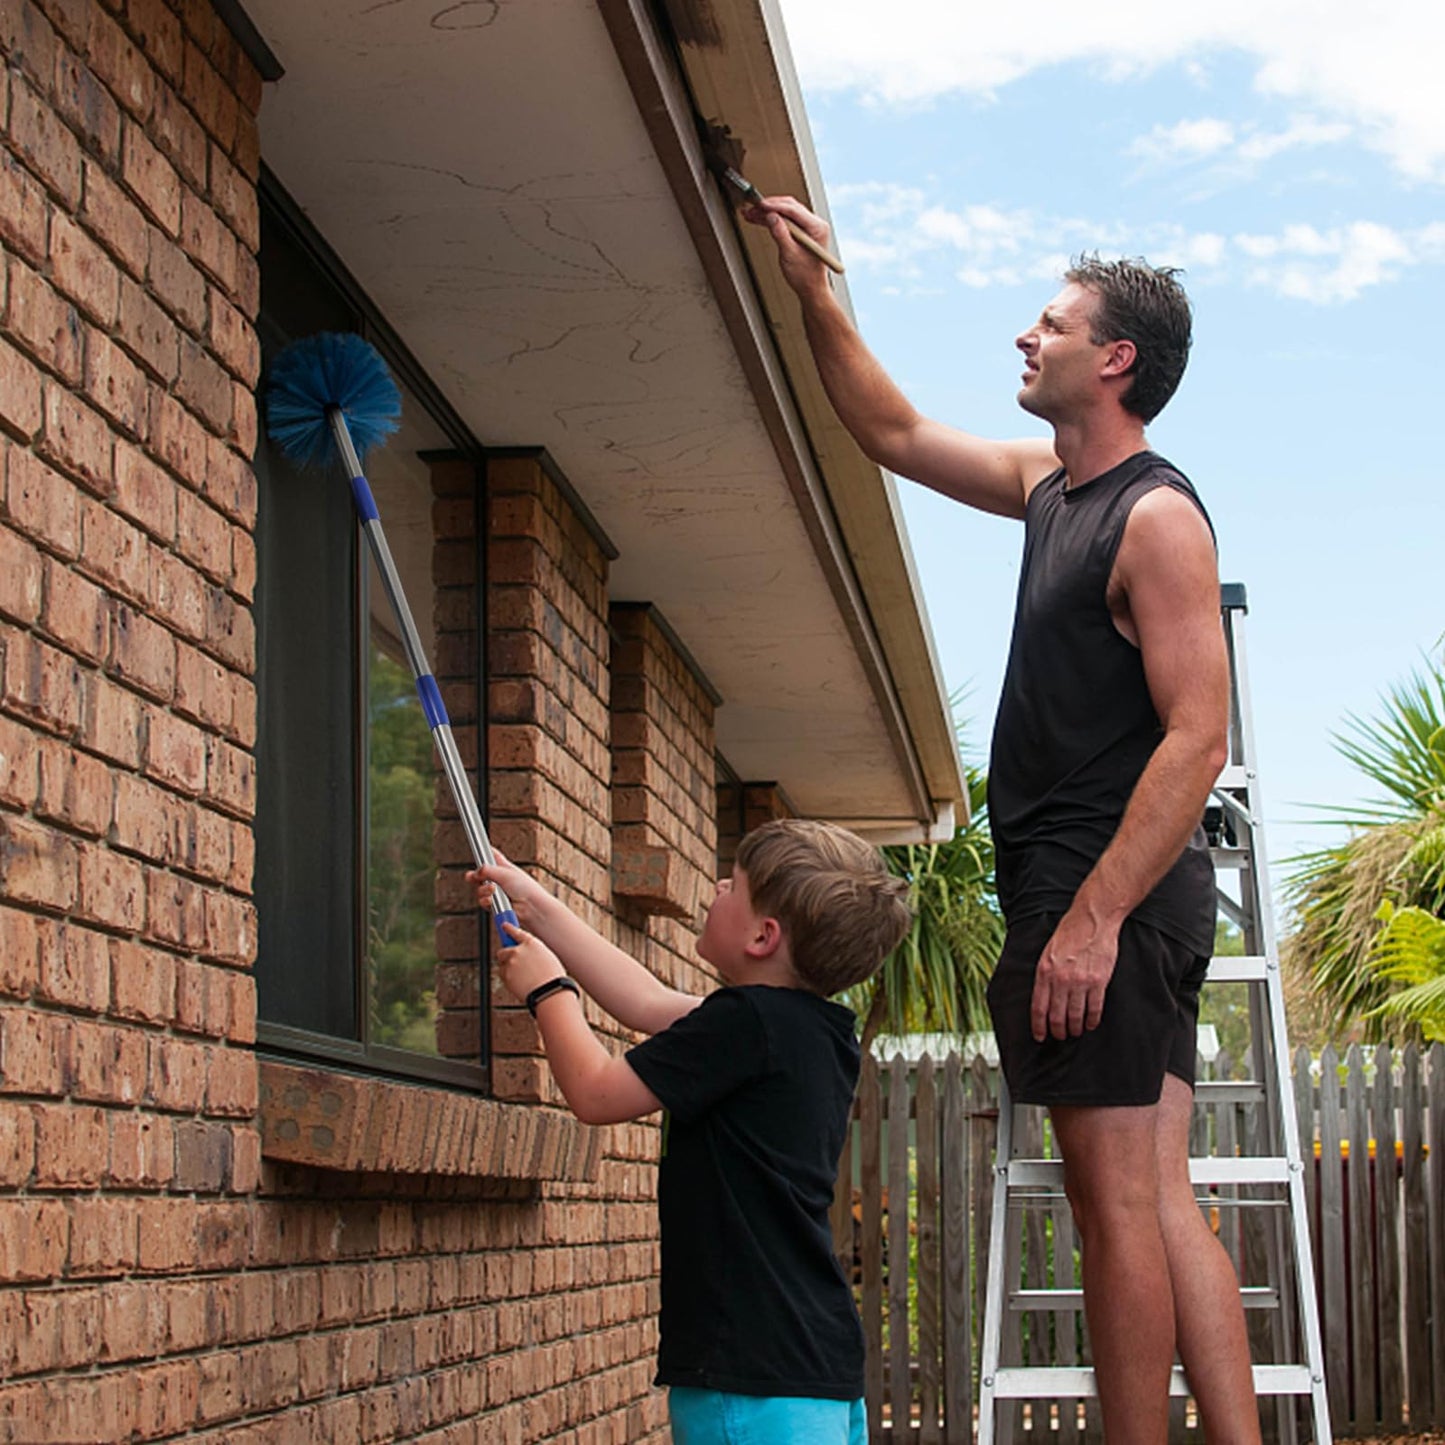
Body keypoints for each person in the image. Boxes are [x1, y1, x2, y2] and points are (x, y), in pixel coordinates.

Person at [745, 198, 1255, 1445]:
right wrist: (814, 289)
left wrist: (1088, 921)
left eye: (1051, 323)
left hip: (1105, 893)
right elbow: (893, 428)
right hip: (1096, 893)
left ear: (1114, 358)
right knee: (1152, 1193)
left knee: (1114, 1209)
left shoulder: (1156, 516)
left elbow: (1200, 737)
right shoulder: (1049, 487)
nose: (1025, 337)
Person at [468, 818, 912, 1445]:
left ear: (764, 936)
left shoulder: (746, 1025)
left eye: (734, 886)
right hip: (813, 1370)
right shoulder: (811, 1029)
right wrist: (535, 905)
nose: (714, 887)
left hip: (749, 1373)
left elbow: (596, 1093)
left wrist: (547, 989)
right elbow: (645, 1001)